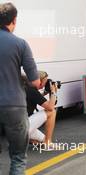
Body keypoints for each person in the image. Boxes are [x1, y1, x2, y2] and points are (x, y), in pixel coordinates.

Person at [0, 3, 40, 175]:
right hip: (14, 105)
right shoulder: (20, 44)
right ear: (14, 20)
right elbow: (35, 82)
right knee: (17, 157)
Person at [24, 71, 58, 149]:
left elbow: (32, 99)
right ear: (39, 80)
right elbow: (50, 107)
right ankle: (47, 141)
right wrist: (53, 92)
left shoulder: (26, 88)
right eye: (45, 82)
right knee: (52, 112)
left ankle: (28, 140)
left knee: (46, 142)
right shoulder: (32, 91)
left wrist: (44, 93)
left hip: (14, 129)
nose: (44, 85)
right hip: (23, 127)